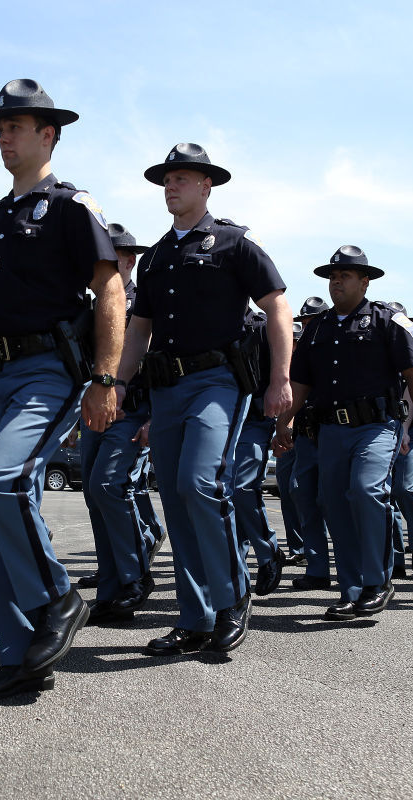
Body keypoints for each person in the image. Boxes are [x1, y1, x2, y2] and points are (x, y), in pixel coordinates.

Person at [0, 80, 124, 698]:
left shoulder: (69, 206)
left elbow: (109, 289)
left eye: (17, 127)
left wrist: (104, 377)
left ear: (49, 134)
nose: (4, 138)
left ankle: (59, 596)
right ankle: (19, 654)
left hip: (50, 369)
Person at [116, 142, 293, 654]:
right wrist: (120, 384)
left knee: (200, 484)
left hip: (217, 380)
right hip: (166, 386)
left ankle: (232, 595)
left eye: (183, 178)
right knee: (173, 495)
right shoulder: (159, 256)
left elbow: (277, 308)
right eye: (167, 179)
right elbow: (139, 329)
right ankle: (194, 618)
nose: (172, 185)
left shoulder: (234, 243)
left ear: (206, 185)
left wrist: (279, 378)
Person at [283, 247, 413, 620]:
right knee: (334, 503)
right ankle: (351, 590)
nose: (337, 281)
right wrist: (284, 422)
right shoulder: (317, 327)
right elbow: (300, 383)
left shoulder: (387, 321)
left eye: (346, 275)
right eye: (333, 276)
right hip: (330, 430)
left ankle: (378, 580)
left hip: (376, 427)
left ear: (365, 281)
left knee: (367, 492)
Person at [80, 223, 160, 624]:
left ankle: (135, 576)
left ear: (129, 261)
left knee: (109, 487)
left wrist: (153, 418)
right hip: (96, 413)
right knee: (95, 496)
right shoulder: (92, 305)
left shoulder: (143, 306)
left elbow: (159, 364)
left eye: (112, 258)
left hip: (133, 411)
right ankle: (111, 591)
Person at [283, 297, 332, 592]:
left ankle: (357, 566)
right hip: (304, 431)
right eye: (305, 322)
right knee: (301, 492)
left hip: (332, 430)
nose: (309, 327)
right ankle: (316, 567)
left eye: (313, 321)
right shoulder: (299, 352)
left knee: (332, 499)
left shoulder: (335, 347)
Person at [234, 308, 284, 596]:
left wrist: (281, 423)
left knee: (243, 488)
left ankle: (268, 552)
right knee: (223, 494)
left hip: (254, 420)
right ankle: (236, 569)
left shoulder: (262, 326)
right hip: (224, 419)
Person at [385, 303, 413, 578]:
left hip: (411, 429)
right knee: (384, 493)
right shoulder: (380, 351)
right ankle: (396, 556)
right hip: (383, 428)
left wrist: (407, 428)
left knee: (404, 488)